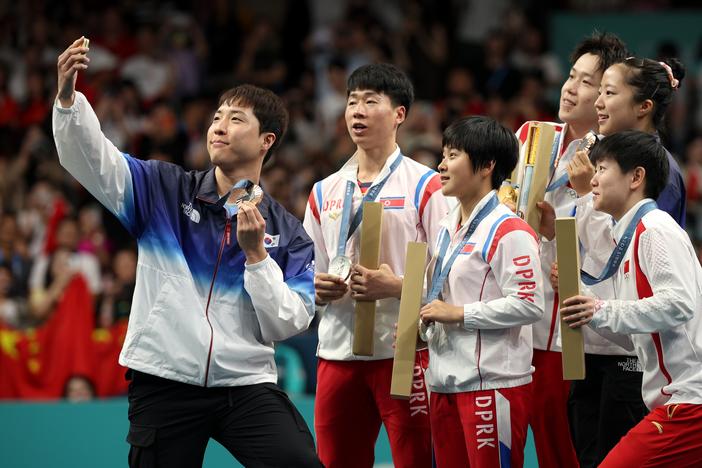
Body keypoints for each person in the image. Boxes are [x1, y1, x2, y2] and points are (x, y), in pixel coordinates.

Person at [53, 37, 321, 468]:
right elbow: (94, 161)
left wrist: (257, 258)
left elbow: (286, 322)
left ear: (267, 140)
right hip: (165, 377)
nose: (219, 126)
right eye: (217, 117)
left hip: (245, 383)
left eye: (236, 119)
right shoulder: (162, 189)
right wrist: (68, 100)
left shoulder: (287, 234)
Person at [303, 63, 448, 468]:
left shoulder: (426, 185)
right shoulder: (323, 190)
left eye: (371, 101)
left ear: (399, 114)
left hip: (403, 353)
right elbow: (303, 275)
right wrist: (316, 288)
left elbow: (450, 274)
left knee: (417, 461)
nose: (357, 111)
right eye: (352, 102)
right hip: (337, 354)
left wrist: (398, 286)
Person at [561, 56, 689, 466]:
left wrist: (584, 196)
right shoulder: (614, 182)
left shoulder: (655, 203)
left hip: (659, 377)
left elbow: (669, 298)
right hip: (613, 351)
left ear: (643, 107)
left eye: (608, 92)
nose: (598, 101)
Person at [512, 32, 629, 468]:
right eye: (570, 76)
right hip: (516, 318)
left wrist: (575, 205)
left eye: (585, 82)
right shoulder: (530, 136)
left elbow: (617, 242)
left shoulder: (613, 158)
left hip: (570, 334)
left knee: (562, 451)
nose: (569, 87)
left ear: (607, 95)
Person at [419, 116, 544, 467]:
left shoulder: (509, 230)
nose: (441, 165)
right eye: (443, 155)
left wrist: (458, 314)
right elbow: (444, 293)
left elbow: (530, 304)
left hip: (491, 386)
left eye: (453, 155)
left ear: (487, 165)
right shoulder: (446, 227)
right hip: (444, 381)